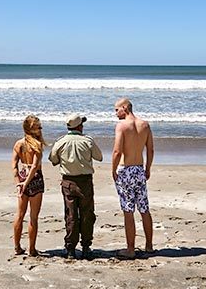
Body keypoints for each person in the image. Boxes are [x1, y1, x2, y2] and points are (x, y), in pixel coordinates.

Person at [49, 113, 103, 259]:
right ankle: (86, 246)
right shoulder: (87, 141)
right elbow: (99, 157)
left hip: (68, 181)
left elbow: (53, 159)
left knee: (71, 215)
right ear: (80, 126)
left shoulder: (60, 142)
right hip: (85, 181)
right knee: (87, 214)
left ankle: (71, 248)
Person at [111, 98, 154, 259]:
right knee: (144, 208)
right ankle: (149, 246)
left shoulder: (122, 126)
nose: (115, 114)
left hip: (126, 170)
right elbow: (150, 149)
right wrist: (147, 168)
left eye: (117, 110)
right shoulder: (145, 125)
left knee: (128, 210)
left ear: (125, 108)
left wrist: (113, 169)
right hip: (139, 169)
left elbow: (117, 151)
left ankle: (130, 249)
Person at [12, 114, 46, 256]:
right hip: (35, 179)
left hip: (23, 176)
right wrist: (26, 183)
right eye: (39, 127)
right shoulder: (36, 145)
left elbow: (14, 165)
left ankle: (17, 247)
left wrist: (19, 183)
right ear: (33, 129)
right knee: (33, 216)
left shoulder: (18, 144)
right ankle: (31, 249)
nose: (41, 129)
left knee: (19, 214)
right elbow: (34, 166)